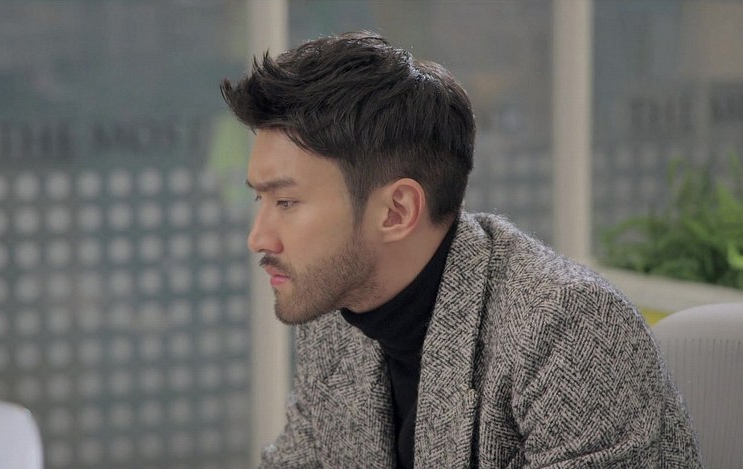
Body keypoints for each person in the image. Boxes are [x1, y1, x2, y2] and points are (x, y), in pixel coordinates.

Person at [220, 31, 701, 468]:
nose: (258, 238)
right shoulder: (335, 313)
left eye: (286, 202)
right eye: (260, 200)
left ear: (397, 211)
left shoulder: (565, 326)